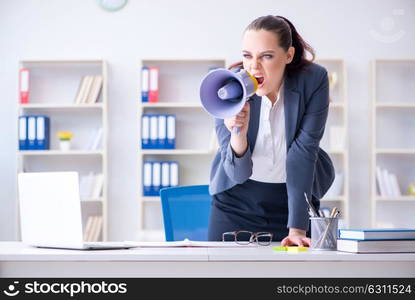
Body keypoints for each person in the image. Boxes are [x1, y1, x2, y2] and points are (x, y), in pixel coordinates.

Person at [208, 15, 335, 247]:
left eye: (266, 56)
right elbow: (238, 174)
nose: (254, 67)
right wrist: (238, 131)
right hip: (235, 204)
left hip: (292, 201)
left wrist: (296, 228)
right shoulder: (226, 87)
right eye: (247, 56)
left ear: (288, 55)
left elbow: (303, 152)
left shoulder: (313, 80)